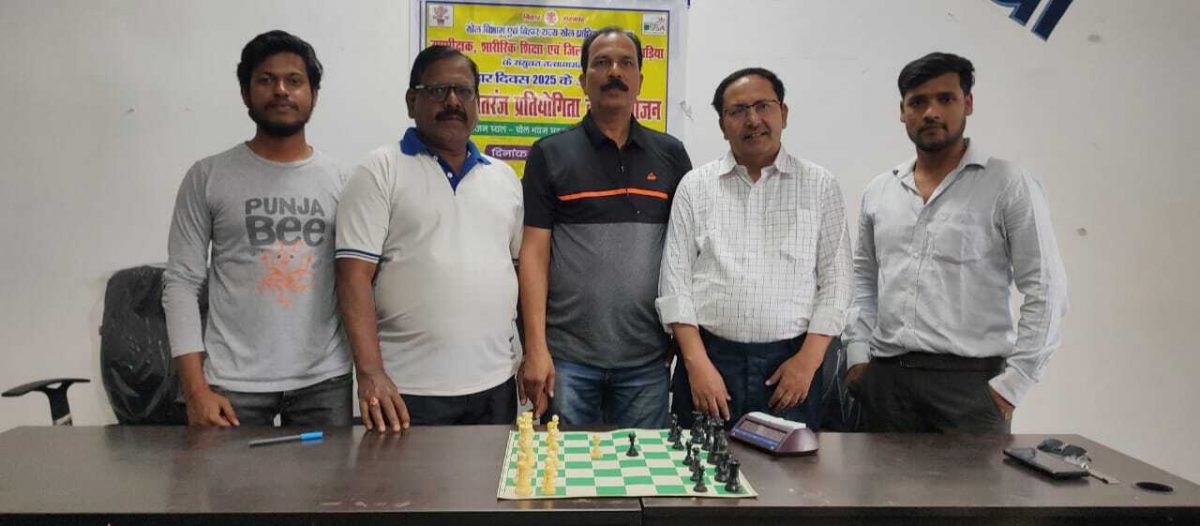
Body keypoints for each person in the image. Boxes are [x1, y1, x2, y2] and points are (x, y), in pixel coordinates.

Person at [845, 52, 1069, 433]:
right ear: (902, 111)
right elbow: (863, 280)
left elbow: (1047, 288)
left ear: (968, 103)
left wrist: (1012, 387)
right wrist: (856, 359)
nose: (931, 112)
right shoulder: (880, 191)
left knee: (971, 480)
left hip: (969, 389)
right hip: (884, 384)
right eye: (918, 102)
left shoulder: (1008, 185)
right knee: (874, 478)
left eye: (945, 99)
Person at [163, 30, 352, 427]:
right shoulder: (208, 176)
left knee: (332, 473)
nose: (281, 90)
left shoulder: (341, 180)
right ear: (245, 93)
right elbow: (180, 283)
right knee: (229, 473)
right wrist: (195, 390)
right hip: (232, 384)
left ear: (314, 95)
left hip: (323, 381)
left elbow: (358, 280)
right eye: (266, 80)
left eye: (294, 80)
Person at [335, 45, 523, 431]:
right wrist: (369, 373)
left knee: (492, 474)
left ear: (477, 102)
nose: (453, 102)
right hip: (407, 390)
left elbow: (520, 272)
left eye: (464, 91)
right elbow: (353, 277)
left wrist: (529, 355)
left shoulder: (504, 178)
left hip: (495, 385)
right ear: (411, 101)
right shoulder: (380, 170)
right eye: (438, 90)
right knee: (406, 476)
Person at [657, 68, 852, 429]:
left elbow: (837, 284)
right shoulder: (695, 187)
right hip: (709, 363)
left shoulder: (819, 185)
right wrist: (696, 364)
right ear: (722, 125)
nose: (753, 120)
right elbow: (675, 284)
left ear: (784, 113)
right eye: (738, 111)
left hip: (790, 367)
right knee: (700, 462)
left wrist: (807, 363)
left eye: (763, 106)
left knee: (788, 466)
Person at [518, 26, 692, 427]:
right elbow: (534, 254)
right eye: (602, 63)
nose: (614, 72)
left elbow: (685, 254)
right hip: (567, 361)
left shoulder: (671, 155)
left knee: (643, 466)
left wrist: (680, 340)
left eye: (625, 63)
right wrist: (535, 349)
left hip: (647, 361)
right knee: (565, 466)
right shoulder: (550, 154)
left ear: (640, 81)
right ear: (583, 80)